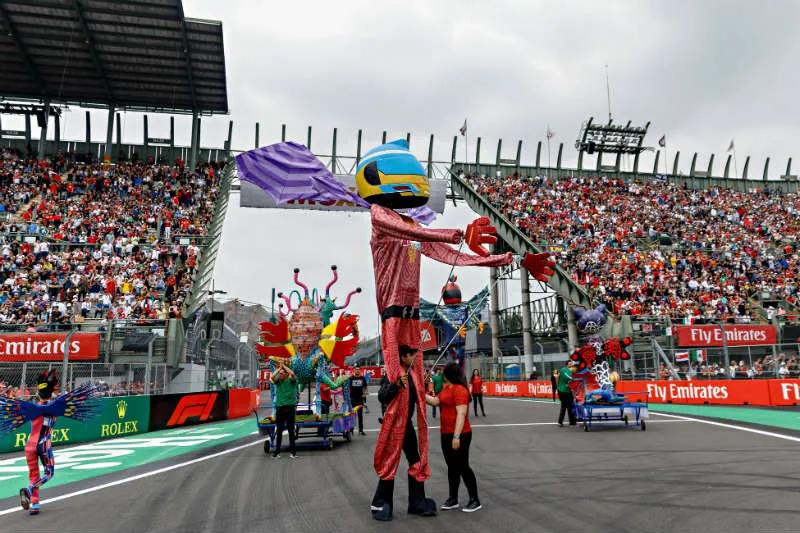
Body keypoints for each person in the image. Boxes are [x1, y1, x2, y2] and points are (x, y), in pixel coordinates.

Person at [371, 346, 437, 521]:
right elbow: (382, 396)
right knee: (390, 463)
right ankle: (381, 503)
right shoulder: (393, 373)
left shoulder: (414, 375)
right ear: (403, 357)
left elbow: (416, 398)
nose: (414, 357)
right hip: (393, 425)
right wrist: (397, 384)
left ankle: (417, 502)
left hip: (406, 424)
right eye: (411, 355)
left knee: (415, 461)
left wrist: (421, 384)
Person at [426, 362, 482, 512]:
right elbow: (436, 401)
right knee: (452, 467)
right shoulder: (446, 388)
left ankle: (474, 499)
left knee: (463, 466)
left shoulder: (460, 390)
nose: (443, 374)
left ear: (449, 374)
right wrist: (421, 392)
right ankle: (453, 498)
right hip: (445, 433)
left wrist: (456, 437)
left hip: (460, 434)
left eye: (445, 372)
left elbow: (461, 414)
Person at [19, 370, 59, 515]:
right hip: (43, 444)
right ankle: (29, 491)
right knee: (49, 473)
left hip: (29, 445)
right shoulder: (55, 408)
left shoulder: (33, 408)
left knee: (33, 474)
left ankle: (35, 505)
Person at [270, 364, 298, 458]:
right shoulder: (278, 382)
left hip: (290, 408)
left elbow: (293, 374)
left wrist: (284, 367)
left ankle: (293, 452)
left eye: (281, 374)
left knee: (291, 431)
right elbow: (272, 377)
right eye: (279, 374)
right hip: (280, 409)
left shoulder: (291, 381)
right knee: (279, 431)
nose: (279, 375)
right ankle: (277, 452)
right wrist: (279, 369)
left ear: (286, 375)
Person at [348, 367, 367, 436]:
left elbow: (366, 387)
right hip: (352, 399)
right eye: (356, 370)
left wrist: (364, 393)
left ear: (360, 371)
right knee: (352, 415)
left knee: (360, 415)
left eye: (358, 370)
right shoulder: (351, 378)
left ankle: (361, 430)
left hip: (360, 399)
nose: (357, 371)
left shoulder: (362, 378)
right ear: (354, 371)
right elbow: (347, 388)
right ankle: (351, 429)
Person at [557, 361, 577, 427]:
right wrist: (574, 397)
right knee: (570, 407)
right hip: (566, 391)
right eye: (570, 364)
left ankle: (560, 422)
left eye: (571, 364)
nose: (571, 365)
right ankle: (572, 422)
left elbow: (557, 377)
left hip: (561, 391)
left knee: (563, 406)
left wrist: (558, 386)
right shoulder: (573, 374)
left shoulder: (562, 370)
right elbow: (573, 387)